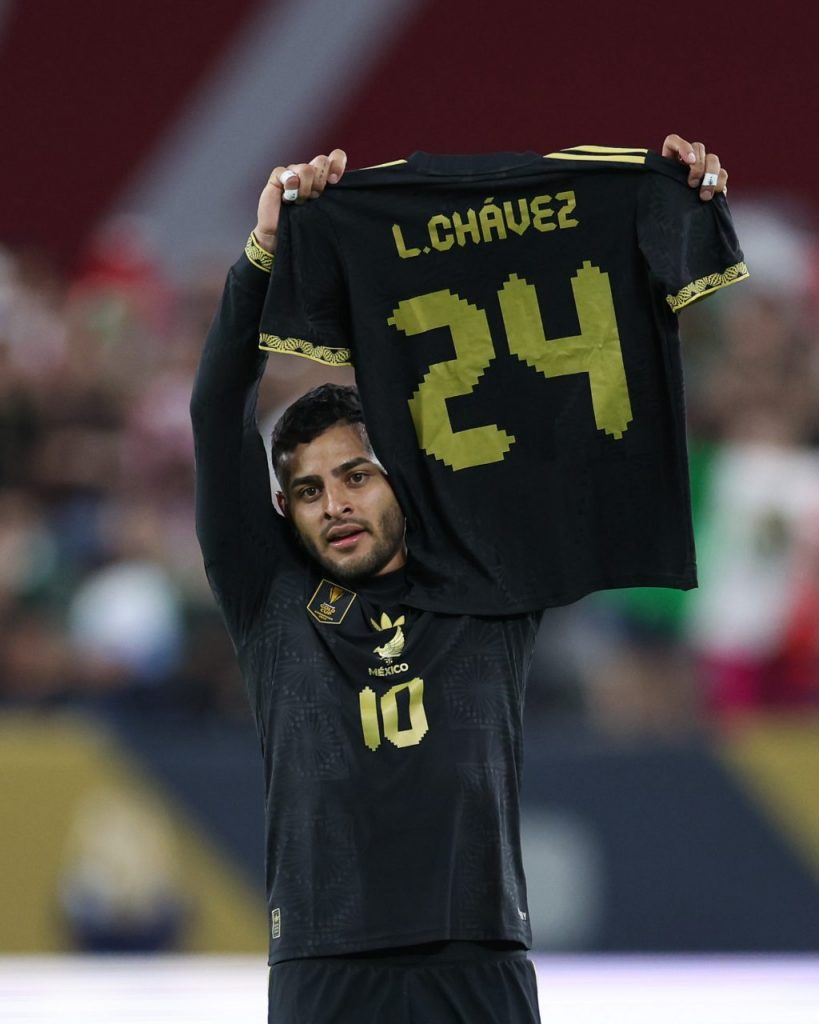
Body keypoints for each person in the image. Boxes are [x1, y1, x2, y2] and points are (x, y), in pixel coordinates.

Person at [191, 136, 728, 1023]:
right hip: (325, 965)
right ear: (282, 510)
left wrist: (671, 211)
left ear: (400, 476)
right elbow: (217, 411)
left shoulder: (492, 577)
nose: (335, 504)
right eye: (309, 491)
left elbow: (586, 386)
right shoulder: (270, 600)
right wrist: (262, 255)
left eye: (355, 475)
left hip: (480, 959)